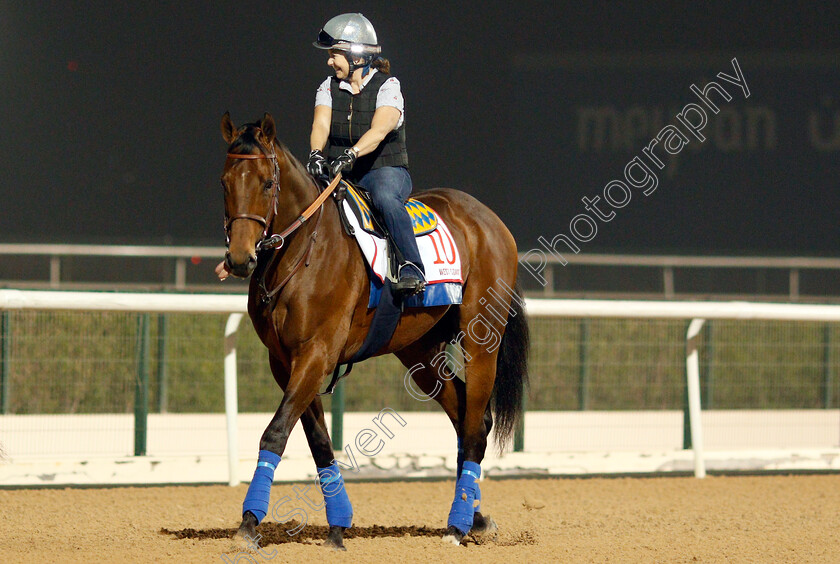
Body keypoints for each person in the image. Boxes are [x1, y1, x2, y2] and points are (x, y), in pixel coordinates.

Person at [307, 13, 425, 296]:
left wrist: (352, 153)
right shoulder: (327, 87)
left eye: (334, 54)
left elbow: (379, 130)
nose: (329, 61)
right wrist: (315, 153)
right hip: (342, 172)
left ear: (356, 56)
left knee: (385, 198)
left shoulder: (388, 87)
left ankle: (412, 265)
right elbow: (321, 124)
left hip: (384, 171)